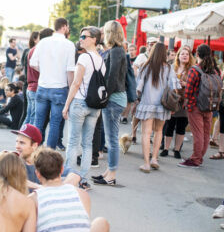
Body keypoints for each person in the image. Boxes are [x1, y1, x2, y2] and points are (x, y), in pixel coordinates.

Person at [63, 27, 105, 189]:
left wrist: (66, 105)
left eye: (84, 36)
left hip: (80, 102)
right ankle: (83, 179)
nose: (80, 39)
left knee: (73, 142)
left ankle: (68, 177)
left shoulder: (83, 59)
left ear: (94, 39)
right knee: (87, 143)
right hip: (95, 106)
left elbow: (76, 83)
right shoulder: (101, 60)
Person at [30, 18, 75, 149]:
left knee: (38, 121)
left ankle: (35, 151)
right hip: (59, 88)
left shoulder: (43, 42)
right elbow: (70, 71)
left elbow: (33, 63)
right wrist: (71, 89)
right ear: (65, 27)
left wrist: (44, 71)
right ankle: (49, 154)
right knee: (55, 123)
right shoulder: (69, 45)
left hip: (43, 86)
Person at [135, 42, 179, 173]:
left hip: (147, 103)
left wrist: (138, 98)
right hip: (162, 105)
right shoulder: (169, 68)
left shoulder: (145, 67)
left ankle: (146, 164)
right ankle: (154, 159)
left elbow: (138, 88)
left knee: (146, 133)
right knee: (159, 131)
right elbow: (174, 87)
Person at [92, 21, 127, 186]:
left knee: (112, 140)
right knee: (111, 139)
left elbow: (112, 77)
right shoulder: (117, 50)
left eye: (105, 32)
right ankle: (108, 172)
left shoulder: (117, 51)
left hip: (113, 99)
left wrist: (104, 97)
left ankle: (111, 174)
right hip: (115, 98)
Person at [179, 44, 222, 168]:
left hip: (195, 106)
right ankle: (199, 157)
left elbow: (188, 89)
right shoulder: (215, 70)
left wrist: (186, 103)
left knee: (197, 134)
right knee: (205, 133)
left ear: (197, 54)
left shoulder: (195, 69)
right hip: (209, 106)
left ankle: (195, 159)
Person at [160, 46, 195, 159]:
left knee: (181, 126)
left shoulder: (192, 70)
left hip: (185, 101)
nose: (184, 55)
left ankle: (177, 149)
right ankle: (166, 148)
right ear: (178, 56)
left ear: (190, 57)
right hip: (172, 100)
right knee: (169, 125)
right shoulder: (171, 68)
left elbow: (196, 86)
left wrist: (186, 84)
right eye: (182, 54)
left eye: (187, 54)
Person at [23, 31, 41, 126]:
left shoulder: (30, 51)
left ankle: (21, 137)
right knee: (32, 117)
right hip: (34, 87)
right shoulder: (37, 51)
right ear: (35, 39)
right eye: (40, 38)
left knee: (29, 116)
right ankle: (25, 139)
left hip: (30, 87)